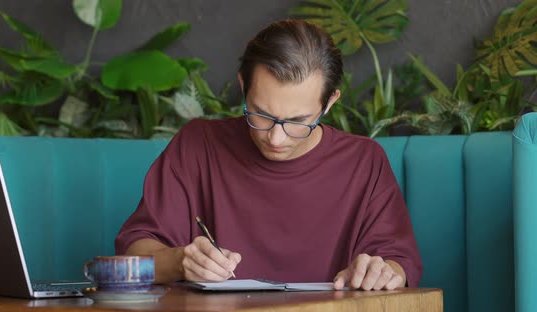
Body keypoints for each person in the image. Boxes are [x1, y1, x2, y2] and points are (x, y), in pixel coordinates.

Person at [115, 19, 422, 291]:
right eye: (260, 114)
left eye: (298, 121)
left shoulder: (364, 161)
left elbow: (397, 265)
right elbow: (133, 257)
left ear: (329, 103)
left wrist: (384, 271)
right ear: (242, 85)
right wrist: (180, 261)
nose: (275, 138)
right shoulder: (198, 145)